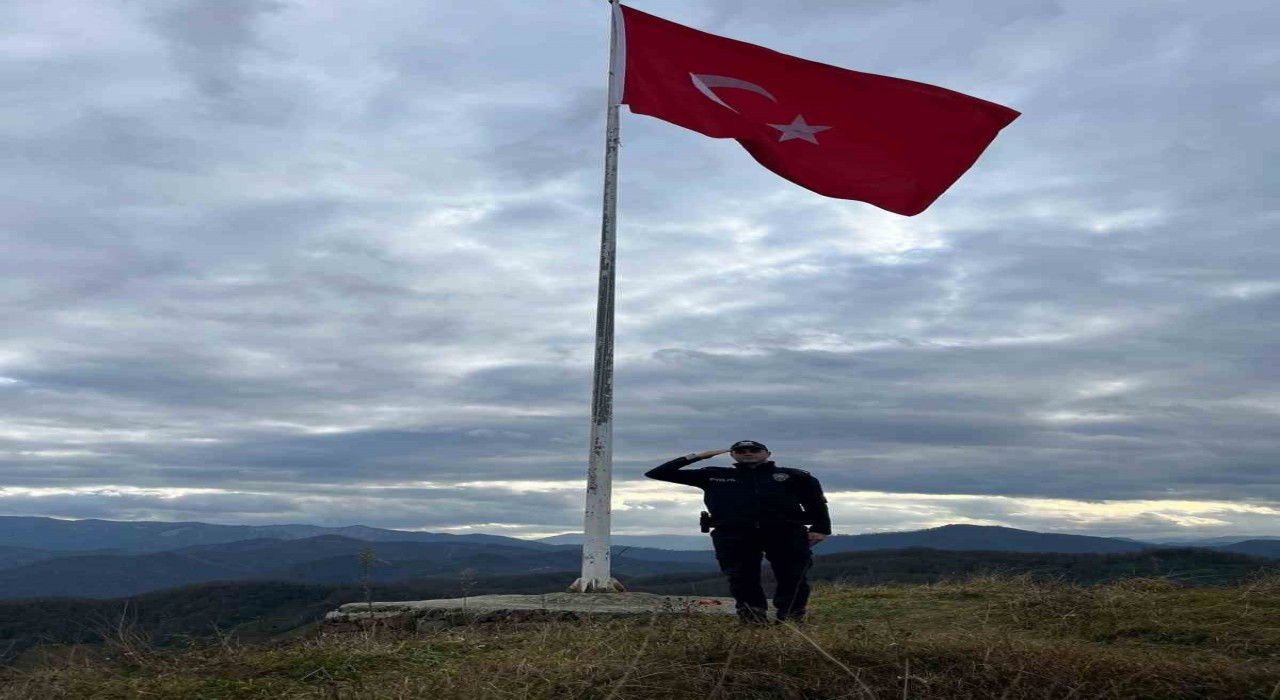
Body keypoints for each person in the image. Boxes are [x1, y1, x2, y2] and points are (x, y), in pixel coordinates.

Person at [645, 440, 831, 625]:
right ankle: (753, 620)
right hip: (733, 534)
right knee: (741, 578)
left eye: (754, 450)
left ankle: (791, 619)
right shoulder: (713, 475)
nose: (748, 453)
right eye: (741, 451)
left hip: (785, 532)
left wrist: (820, 529)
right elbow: (657, 473)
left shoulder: (793, 476)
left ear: (767, 453)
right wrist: (698, 456)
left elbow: (815, 502)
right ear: (732, 455)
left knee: (793, 576)